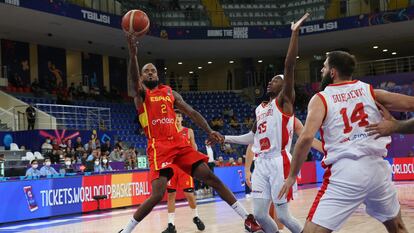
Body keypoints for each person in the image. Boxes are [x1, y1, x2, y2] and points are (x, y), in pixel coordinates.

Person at [119, 33, 263, 233]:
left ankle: (246, 218)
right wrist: (133, 55)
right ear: (142, 77)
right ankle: (125, 230)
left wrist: (209, 130)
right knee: (157, 194)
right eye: (146, 72)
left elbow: (192, 112)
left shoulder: (170, 92)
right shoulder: (142, 95)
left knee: (212, 179)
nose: (150, 73)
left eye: (153, 71)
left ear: (158, 75)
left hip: (179, 144)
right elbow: (134, 81)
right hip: (158, 147)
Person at [278, 50, 414, 233]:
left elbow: (306, 137)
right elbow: (411, 103)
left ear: (332, 72)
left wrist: (293, 175)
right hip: (377, 170)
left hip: (346, 172)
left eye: (324, 67)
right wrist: (396, 125)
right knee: (397, 228)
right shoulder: (370, 91)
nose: (321, 71)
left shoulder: (321, 98)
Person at [223, 14, 323, 233]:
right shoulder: (260, 109)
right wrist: (225, 137)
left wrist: (294, 34)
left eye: (275, 80)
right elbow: (252, 139)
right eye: (270, 80)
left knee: (284, 216)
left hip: (280, 161)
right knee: (259, 214)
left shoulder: (284, 102)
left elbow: (289, 66)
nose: (271, 82)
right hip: (262, 162)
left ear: (284, 85)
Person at [162, 110, 205, 233]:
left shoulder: (188, 131)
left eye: (179, 116)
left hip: (184, 167)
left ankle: (195, 217)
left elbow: (194, 147)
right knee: (171, 195)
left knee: (189, 195)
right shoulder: (168, 131)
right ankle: (171, 225)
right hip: (171, 167)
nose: (177, 118)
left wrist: (195, 160)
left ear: (182, 119)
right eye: (175, 116)